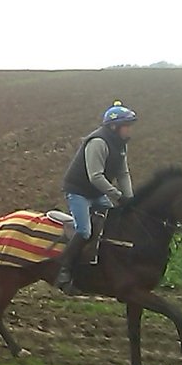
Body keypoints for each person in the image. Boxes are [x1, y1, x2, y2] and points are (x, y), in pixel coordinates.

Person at [55, 100, 136, 293]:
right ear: (114, 127)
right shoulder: (98, 142)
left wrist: (131, 200)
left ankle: (99, 264)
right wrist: (118, 196)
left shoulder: (121, 145)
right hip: (79, 191)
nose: (130, 131)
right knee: (84, 230)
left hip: (97, 192)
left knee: (112, 222)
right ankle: (63, 269)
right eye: (127, 126)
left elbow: (123, 174)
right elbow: (95, 176)